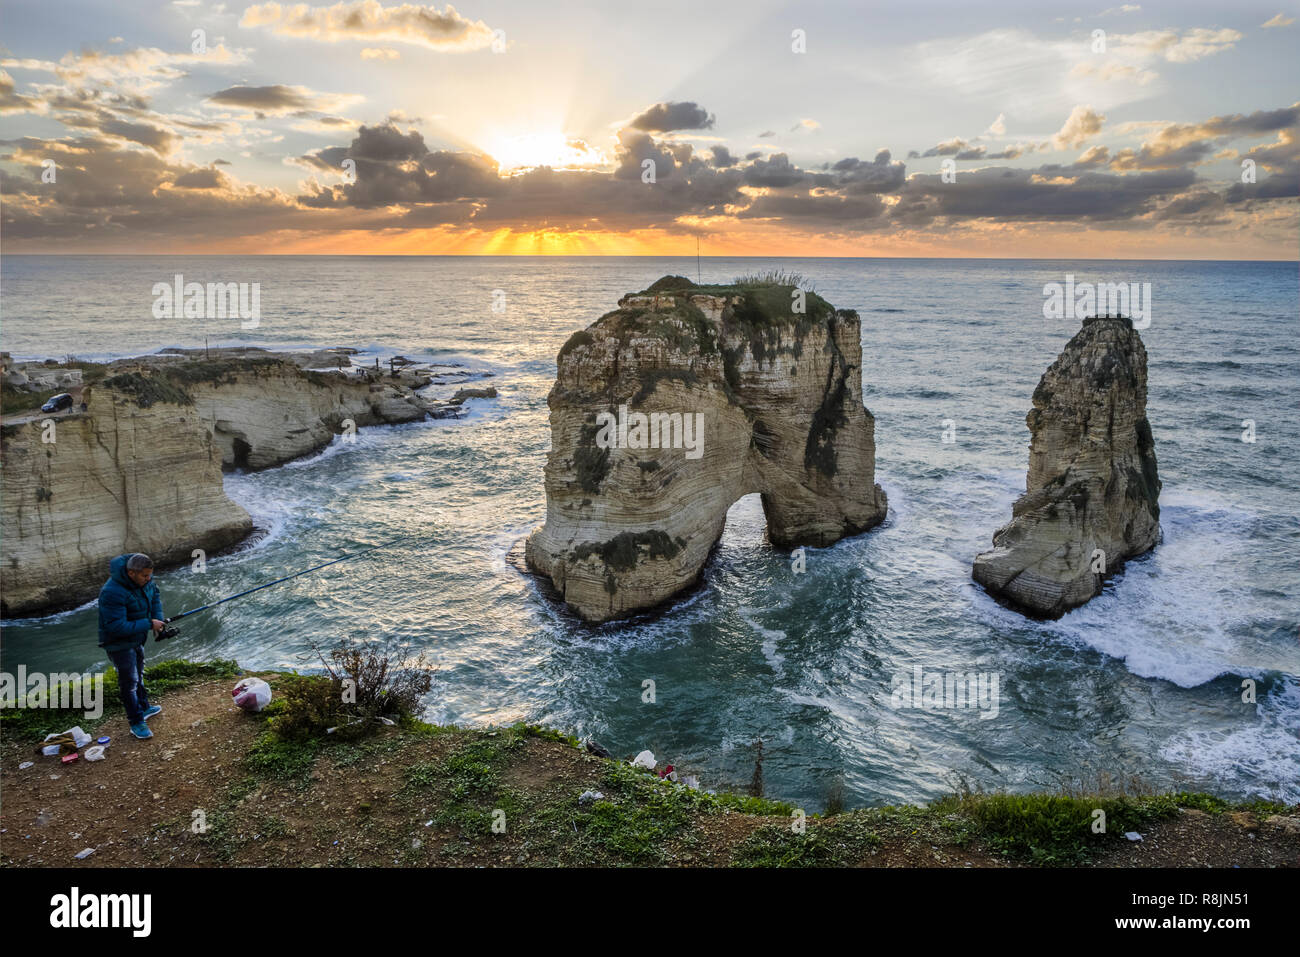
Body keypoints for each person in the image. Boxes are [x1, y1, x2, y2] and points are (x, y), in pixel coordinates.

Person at [98, 553, 165, 739]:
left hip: (136, 638)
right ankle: (136, 722)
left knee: (139, 675)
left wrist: (157, 618)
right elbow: (116, 627)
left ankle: (144, 708)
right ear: (131, 573)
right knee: (129, 683)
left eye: (150, 574)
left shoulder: (145, 581)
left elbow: (154, 596)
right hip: (118, 643)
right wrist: (149, 624)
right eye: (144, 575)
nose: (149, 578)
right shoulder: (112, 592)